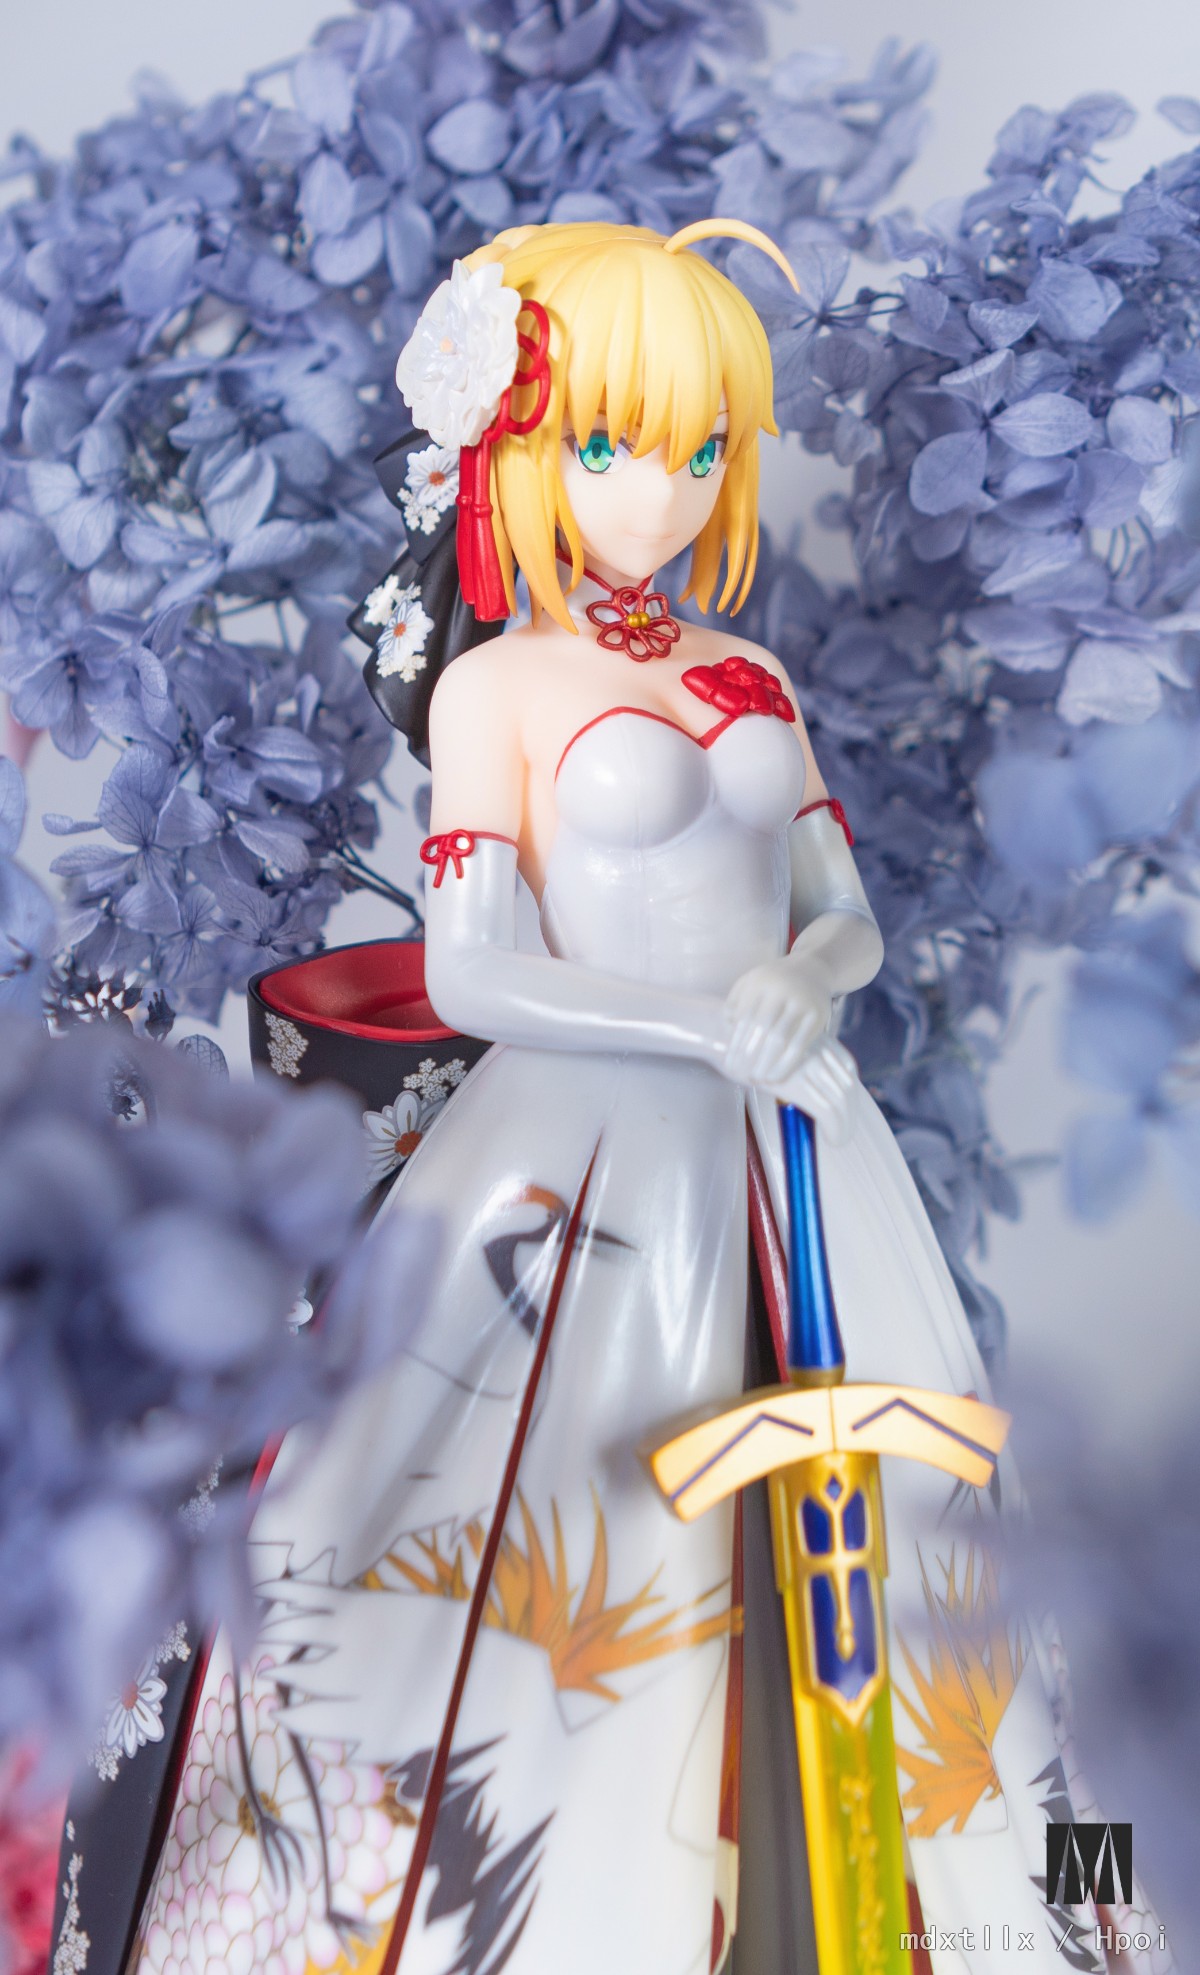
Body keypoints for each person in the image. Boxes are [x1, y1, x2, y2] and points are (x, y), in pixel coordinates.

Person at [64, 223, 1140, 1975]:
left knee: (923, 1526)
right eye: (617, 441)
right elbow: (477, 974)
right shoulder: (494, 689)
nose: (667, 489)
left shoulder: (754, 675)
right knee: (547, 1546)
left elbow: (844, 911)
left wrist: (807, 980)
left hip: (797, 1138)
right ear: (516, 449)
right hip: (577, 1167)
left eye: (703, 446)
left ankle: (1015, 1912)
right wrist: (701, 1025)